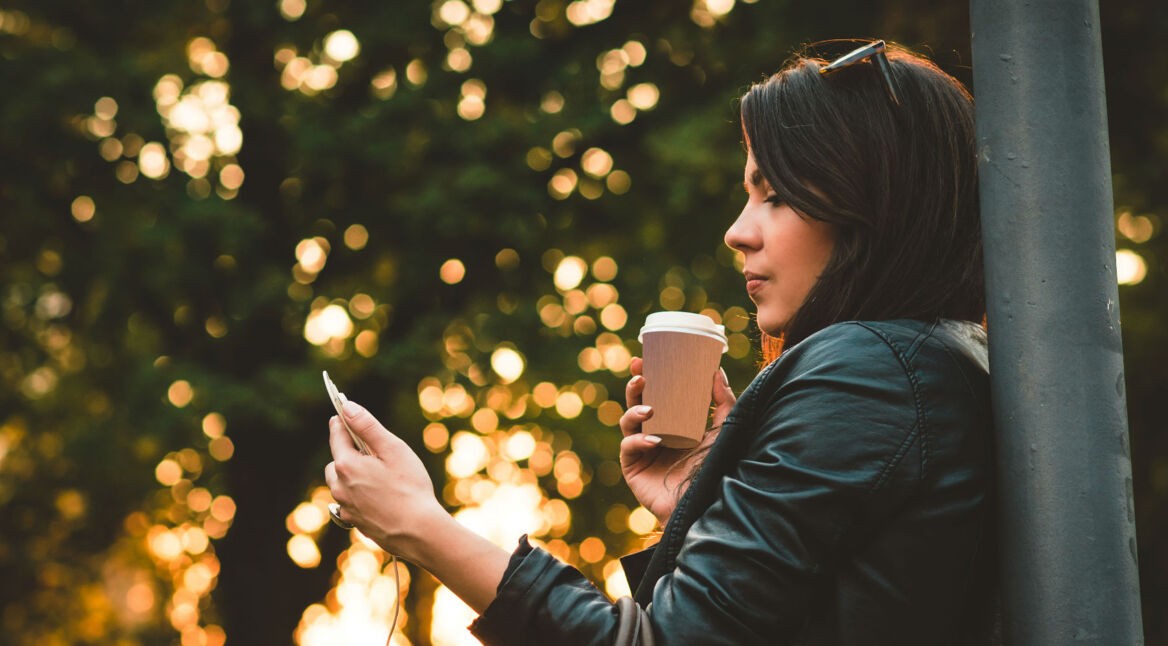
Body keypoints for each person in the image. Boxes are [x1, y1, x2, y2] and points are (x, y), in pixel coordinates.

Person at [324, 39, 997, 644]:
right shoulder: (934, 364)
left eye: (776, 196)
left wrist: (424, 527)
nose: (738, 232)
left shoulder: (870, 371)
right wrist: (708, 502)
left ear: (871, 200)